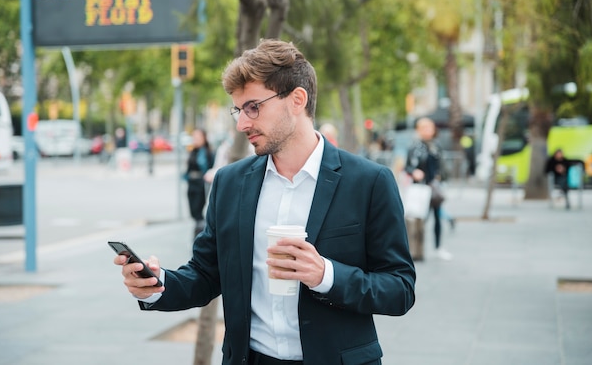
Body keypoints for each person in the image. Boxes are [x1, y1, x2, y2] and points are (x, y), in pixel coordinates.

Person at [113, 39, 416, 365]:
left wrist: (325, 274)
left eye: (253, 107)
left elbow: (399, 289)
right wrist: (157, 285)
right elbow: (205, 274)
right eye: (238, 110)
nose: (242, 123)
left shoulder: (369, 182)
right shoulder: (229, 183)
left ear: (297, 100)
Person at [405, 117, 452, 260]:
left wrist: (440, 177)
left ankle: (438, 248)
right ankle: (416, 249)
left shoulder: (436, 146)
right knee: (419, 219)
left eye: (430, 128)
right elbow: (408, 166)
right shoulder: (415, 147)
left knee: (437, 217)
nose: (428, 131)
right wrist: (414, 172)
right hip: (420, 189)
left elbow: (441, 167)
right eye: (424, 128)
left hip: (434, 188)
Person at [184, 128, 214, 235]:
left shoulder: (207, 153)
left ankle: (200, 233)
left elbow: (210, 169)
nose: (195, 139)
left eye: (198, 137)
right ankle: (198, 231)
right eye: (194, 137)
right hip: (192, 185)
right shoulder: (193, 151)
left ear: (204, 138)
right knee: (194, 212)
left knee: (200, 212)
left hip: (201, 186)